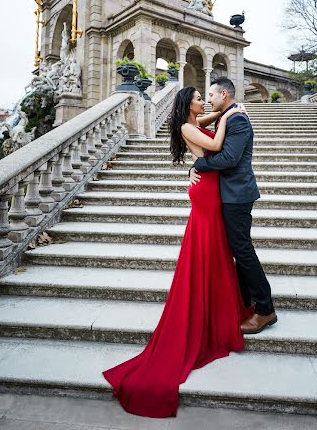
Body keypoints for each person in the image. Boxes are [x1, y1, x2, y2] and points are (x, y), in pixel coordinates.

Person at [103, 86, 250, 418]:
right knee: (209, 249)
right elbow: (213, 145)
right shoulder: (187, 126)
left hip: (211, 186)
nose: (204, 101)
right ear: (189, 103)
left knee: (216, 250)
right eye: (199, 98)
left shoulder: (194, 119)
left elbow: (211, 120)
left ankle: (220, 309)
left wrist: (226, 112)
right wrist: (232, 117)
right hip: (206, 192)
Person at [190, 77, 276, 334]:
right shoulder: (228, 114)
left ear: (224, 93)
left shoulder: (237, 118)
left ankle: (265, 310)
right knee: (238, 250)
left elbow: (229, 158)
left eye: (212, 95)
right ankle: (245, 301)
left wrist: (197, 165)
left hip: (237, 194)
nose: (208, 100)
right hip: (229, 193)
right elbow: (193, 124)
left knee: (243, 250)